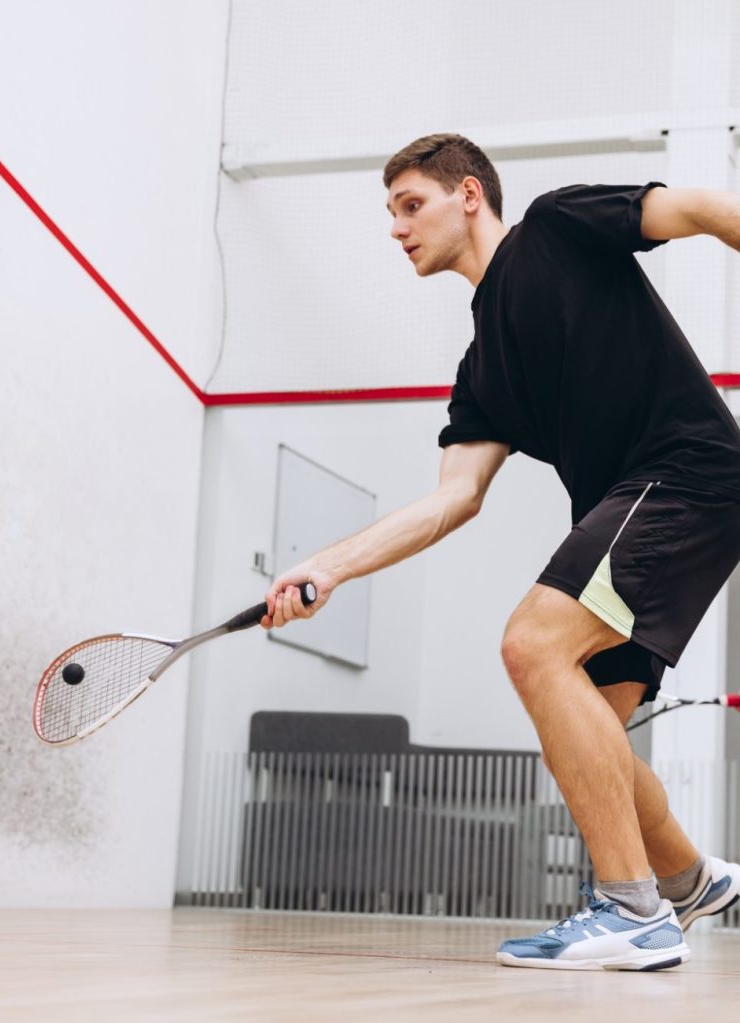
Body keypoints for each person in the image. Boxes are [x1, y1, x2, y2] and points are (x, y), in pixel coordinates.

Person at [261, 134, 740, 971]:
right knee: (591, 728)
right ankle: (688, 880)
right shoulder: (482, 371)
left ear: (470, 195)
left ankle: (633, 912)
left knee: (532, 645)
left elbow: (695, 209)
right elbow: (453, 498)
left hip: (685, 474)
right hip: (640, 508)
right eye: (392, 213)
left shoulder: (555, 226)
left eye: (412, 205)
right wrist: (330, 565)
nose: (397, 228)